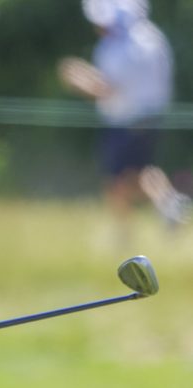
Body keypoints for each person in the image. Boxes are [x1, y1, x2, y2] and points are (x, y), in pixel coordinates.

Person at [58, 0, 190, 230]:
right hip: (151, 117)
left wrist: (76, 78)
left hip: (126, 120)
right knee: (141, 171)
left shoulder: (119, 47)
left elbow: (106, 89)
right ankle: (168, 203)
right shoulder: (152, 37)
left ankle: (127, 232)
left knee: (116, 181)